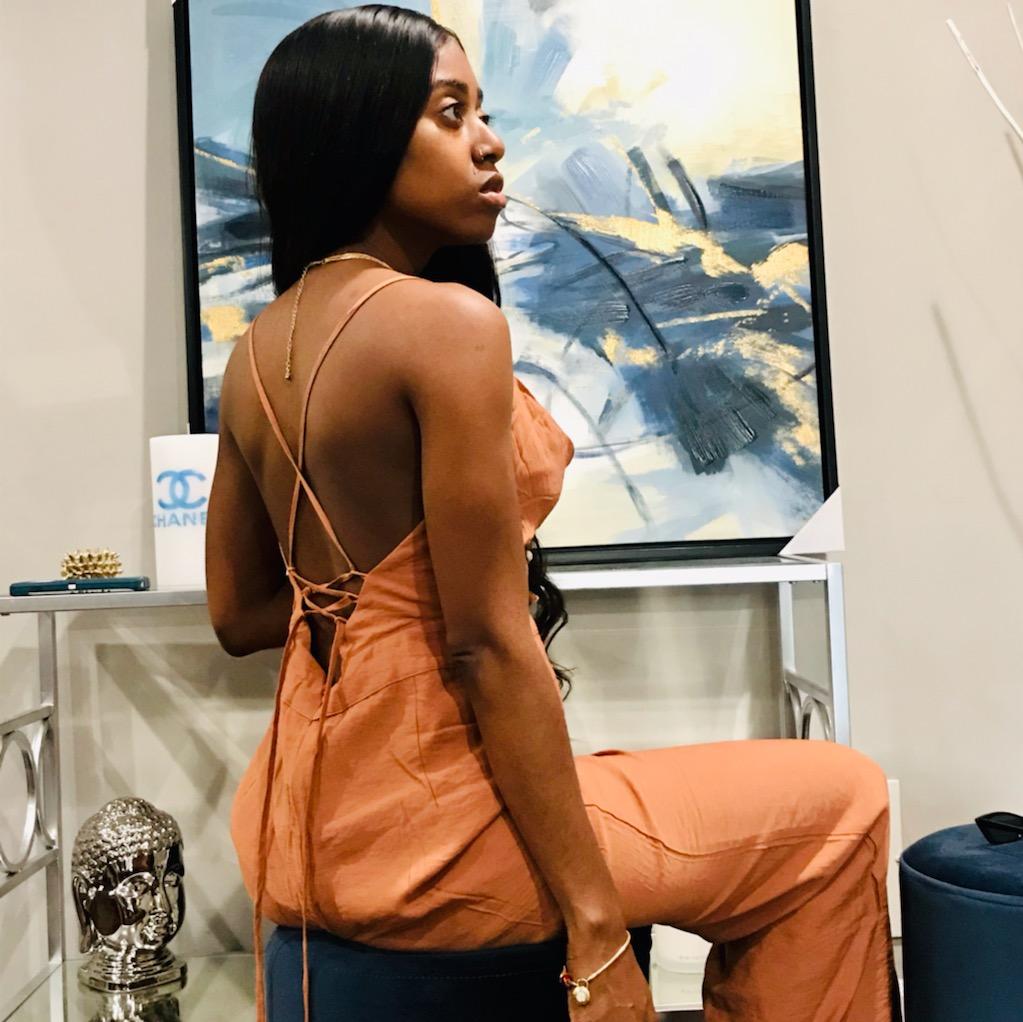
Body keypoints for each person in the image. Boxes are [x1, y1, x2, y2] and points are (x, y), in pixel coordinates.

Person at [204, 6, 902, 1021]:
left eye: (481, 112)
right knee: (840, 800)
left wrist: (377, 613)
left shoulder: (256, 350)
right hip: (443, 839)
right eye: (451, 113)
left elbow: (238, 614)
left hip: (310, 823)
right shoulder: (446, 325)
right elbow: (487, 643)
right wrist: (596, 930)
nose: (490, 143)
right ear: (358, 134)